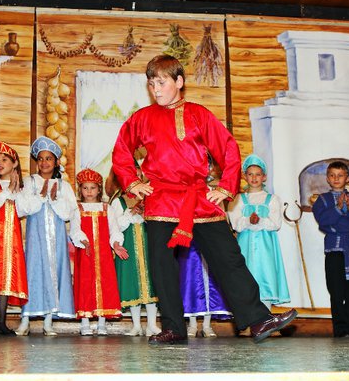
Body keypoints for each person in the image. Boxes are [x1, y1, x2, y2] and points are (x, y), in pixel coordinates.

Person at [112, 54, 297, 344]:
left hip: (198, 197)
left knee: (228, 257)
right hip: (162, 200)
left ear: (179, 82)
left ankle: (258, 320)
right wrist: (133, 182)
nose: (156, 90)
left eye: (161, 83)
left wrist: (225, 187)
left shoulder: (199, 114)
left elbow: (228, 148)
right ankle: (173, 327)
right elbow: (122, 149)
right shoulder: (142, 118)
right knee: (162, 265)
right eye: (151, 84)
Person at [16, 136, 87, 336]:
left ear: (56, 162)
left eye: (48, 158)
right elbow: (21, 209)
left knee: (55, 273)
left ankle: (48, 321)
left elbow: (69, 213)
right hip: (36, 238)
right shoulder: (30, 182)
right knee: (33, 273)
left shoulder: (64, 186)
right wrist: (40, 196)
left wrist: (55, 200)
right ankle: (25, 319)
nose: (44, 162)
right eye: (40, 158)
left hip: (57, 239)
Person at [0, 141, 33, 336]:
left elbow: (24, 210)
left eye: (5, 160)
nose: (0, 163)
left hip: (11, 239)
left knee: (7, 276)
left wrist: (17, 191)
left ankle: (1, 321)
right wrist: (8, 190)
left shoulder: (20, 188)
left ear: (15, 163)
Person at [312, 161, 349, 338]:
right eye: (332, 175)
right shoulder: (322, 200)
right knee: (336, 290)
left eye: (340, 175)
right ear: (327, 179)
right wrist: (338, 209)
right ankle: (339, 329)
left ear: (348, 178)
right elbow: (323, 221)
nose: (336, 179)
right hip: (334, 248)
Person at [228, 154, 291, 309]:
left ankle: (266, 315)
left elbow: (275, 224)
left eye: (258, 174)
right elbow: (236, 224)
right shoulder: (238, 199)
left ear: (264, 177)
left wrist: (260, 220)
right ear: (245, 176)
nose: (254, 178)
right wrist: (248, 220)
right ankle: (248, 318)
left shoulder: (272, 199)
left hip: (265, 247)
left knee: (266, 276)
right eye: (250, 174)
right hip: (245, 246)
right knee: (245, 276)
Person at [107, 170, 161, 337]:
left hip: (148, 246)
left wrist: (145, 213)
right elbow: (115, 226)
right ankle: (136, 325)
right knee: (133, 285)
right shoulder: (118, 202)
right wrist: (131, 212)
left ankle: (152, 325)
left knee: (151, 284)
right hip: (128, 247)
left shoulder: (149, 198)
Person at [74, 168, 122, 335]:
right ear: (80, 189)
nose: (89, 191)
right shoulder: (78, 208)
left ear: (99, 189)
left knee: (105, 285)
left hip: (104, 254)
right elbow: (75, 229)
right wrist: (82, 240)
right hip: (85, 253)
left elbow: (114, 229)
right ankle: (85, 322)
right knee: (85, 284)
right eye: (85, 188)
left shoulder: (107, 208)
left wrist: (116, 243)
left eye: (92, 188)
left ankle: (102, 322)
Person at [177, 241, 232, 338]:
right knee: (190, 281)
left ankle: (207, 325)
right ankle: (192, 325)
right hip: (190, 242)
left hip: (208, 241)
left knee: (211, 283)